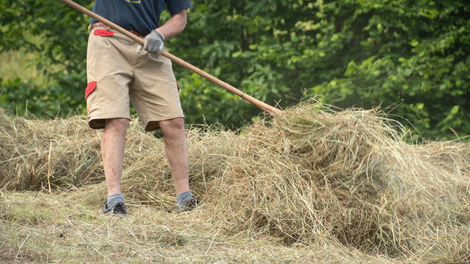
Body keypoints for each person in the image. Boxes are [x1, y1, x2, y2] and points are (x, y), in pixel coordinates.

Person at [85, 0, 196, 217]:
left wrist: (159, 34)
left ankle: (185, 200)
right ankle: (114, 201)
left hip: (148, 43)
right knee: (116, 118)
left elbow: (180, 18)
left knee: (173, 120)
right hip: (108, 39)